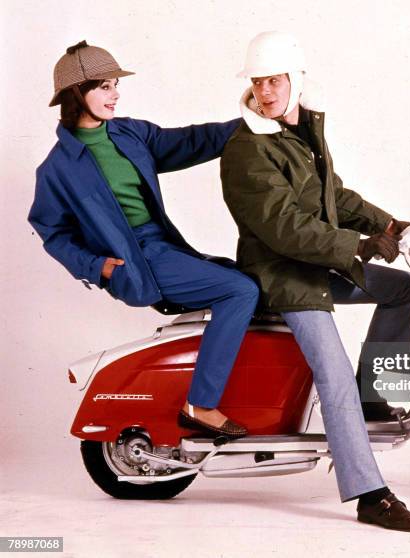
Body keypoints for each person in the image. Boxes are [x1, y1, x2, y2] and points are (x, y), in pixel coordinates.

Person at [221, 31, 410, 531]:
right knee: (332, 373)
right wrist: (356, 247)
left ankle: (372, 394)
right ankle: (369, 494)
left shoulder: (302, 131)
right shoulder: (248, 148)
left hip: (314, 265)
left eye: (275, 80)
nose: (266, 90)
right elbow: (284, 226)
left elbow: (333, 196)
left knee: (400, 289)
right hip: (281, 275)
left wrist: (389, 225)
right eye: (258, 81)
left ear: (296, 80)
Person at [28, 41, 258, 439]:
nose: (114, 93)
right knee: (239, 291)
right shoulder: (57, 168)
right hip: (135, 259)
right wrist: (95, 266)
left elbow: (189, 141)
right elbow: (52, 231)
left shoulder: (129, 133)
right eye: (103, 86)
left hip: (164, 246)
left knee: (251, 284)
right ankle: (200, 405)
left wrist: (250, 122)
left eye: (115, 84)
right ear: (75, 94)